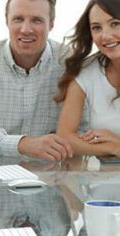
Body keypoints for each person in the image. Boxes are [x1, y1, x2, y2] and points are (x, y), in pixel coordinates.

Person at [0, 0, 87, 161]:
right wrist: (22, 144)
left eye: (36, 20)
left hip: (55, 175)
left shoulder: (72, 63)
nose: (26, 29)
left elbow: (84, 130)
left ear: (51, 24)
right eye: (18, 19)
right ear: (6, 21)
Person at [56, 0, 120, 157]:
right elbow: (64, 136)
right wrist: (113, 148)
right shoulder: (86, 71)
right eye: (96, 27)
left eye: (115, 24)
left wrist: (117, 141)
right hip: (104, 177)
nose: (105, 36)